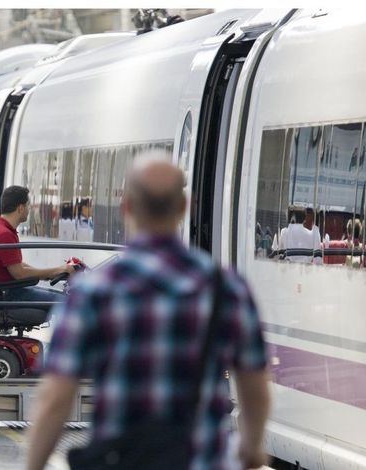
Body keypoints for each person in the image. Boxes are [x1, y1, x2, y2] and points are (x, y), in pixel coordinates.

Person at [26, 159, 270, 470]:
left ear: (126, 207)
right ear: (184, 207)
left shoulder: (93, 292)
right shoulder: (226, 289)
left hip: (120, 460)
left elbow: (55, 398)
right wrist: (251, 448)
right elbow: (255, 385)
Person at [0, 185, 74, 305]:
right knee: (66, 302)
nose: (29, 209)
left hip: (7, 291)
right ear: (20, 208)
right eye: (28, 205)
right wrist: (57, 270)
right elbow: (19, 274)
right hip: (7, 296)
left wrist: (52, 272)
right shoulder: (4, 234)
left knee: (58, 296)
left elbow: (18, 265)